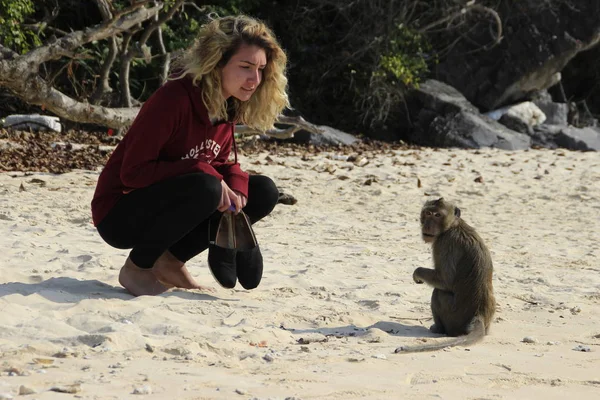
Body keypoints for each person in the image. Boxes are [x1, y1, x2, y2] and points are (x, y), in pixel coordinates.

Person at [91, 15, 289, 296]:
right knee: (206, 186)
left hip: (173, 202)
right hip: (118, 214)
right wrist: (202, 170)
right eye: (245, 67)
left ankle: (170, 261)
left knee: (264, 191)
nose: (254, 79)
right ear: (217, 63)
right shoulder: (174, 99)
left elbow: (221, 162)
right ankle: (137, 267)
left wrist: (238, 190)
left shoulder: (226, 104)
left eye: (260, 69)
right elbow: (133, 173)